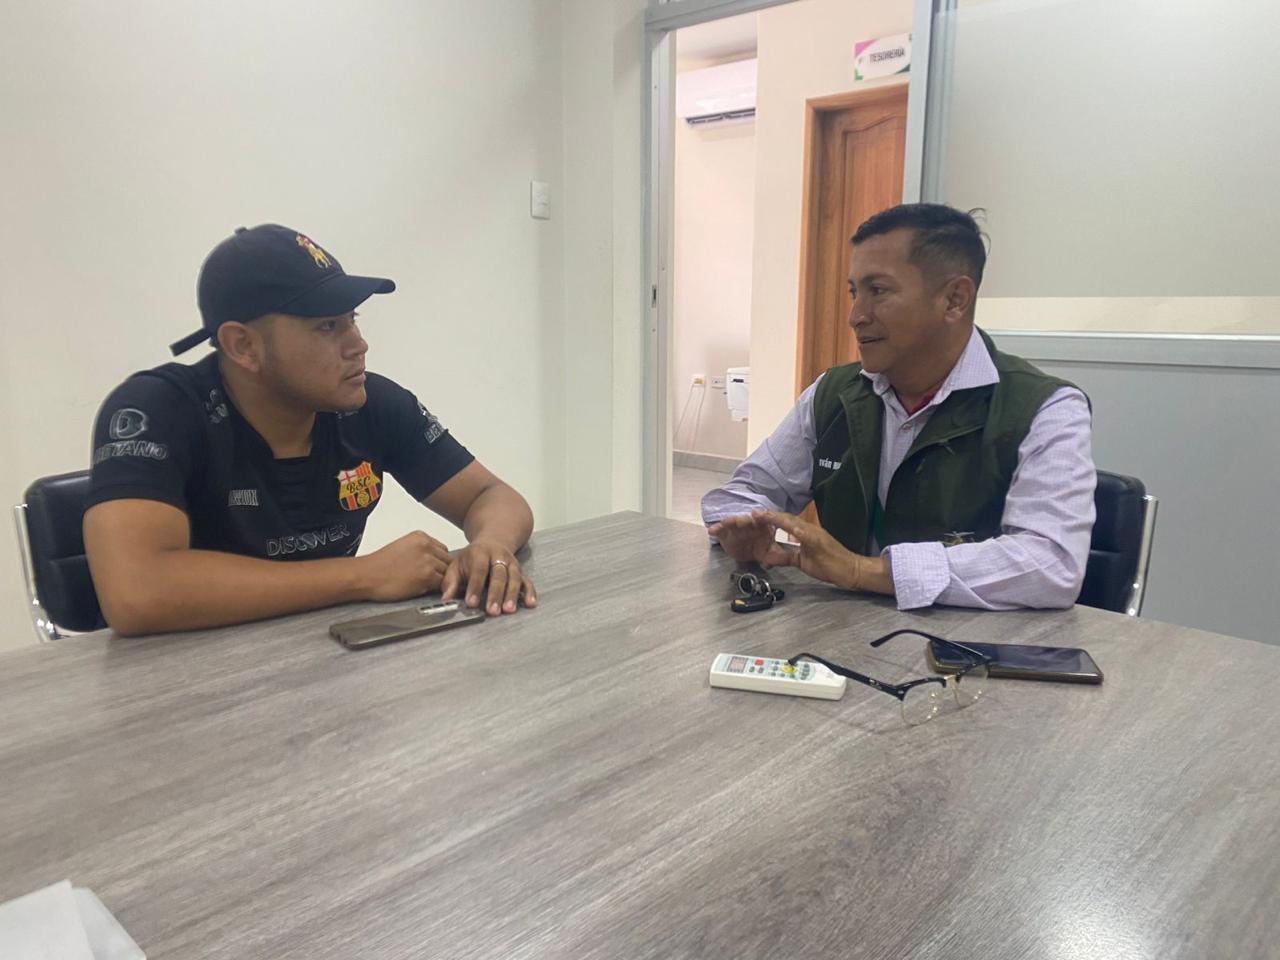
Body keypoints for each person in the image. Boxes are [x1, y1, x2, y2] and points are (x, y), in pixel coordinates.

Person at [84, 223, 536, 636]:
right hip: (177, 680)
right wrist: (363, 575)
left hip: (323, 659)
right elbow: (136, 593)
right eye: (327, 326)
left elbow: (492, 496)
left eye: (352, 319)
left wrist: (491, 545)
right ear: (243, 346)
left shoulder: (372, 404)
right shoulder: (157, 410)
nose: (359, 345)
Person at [702, 203, 1096, 610]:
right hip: (837, 632)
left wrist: (863, 571)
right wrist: (743, 526)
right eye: (854, 292)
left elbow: (1052, 564)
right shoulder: (835, 393)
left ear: (955, 299)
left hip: (967, 644)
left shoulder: (1046, 408)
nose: (856, 316)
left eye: (878, 291)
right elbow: (743, 492)